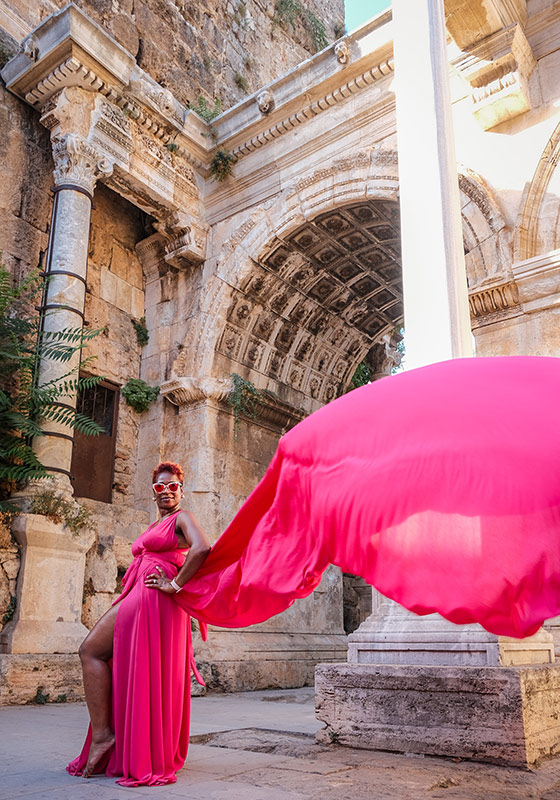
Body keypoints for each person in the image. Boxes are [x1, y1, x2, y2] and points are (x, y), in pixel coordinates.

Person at [67, 461, 211, 786]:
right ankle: (108, 736)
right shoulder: (153, 525)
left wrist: (174, 586)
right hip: (141, 597)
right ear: (154, 492)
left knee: (89, 649)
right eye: (160, 487)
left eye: (172, 486)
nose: (166, 492)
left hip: (154, 598)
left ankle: (106, 736)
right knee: (101, 656)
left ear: (181, 489)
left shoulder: (183, 518)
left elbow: (202, 548)